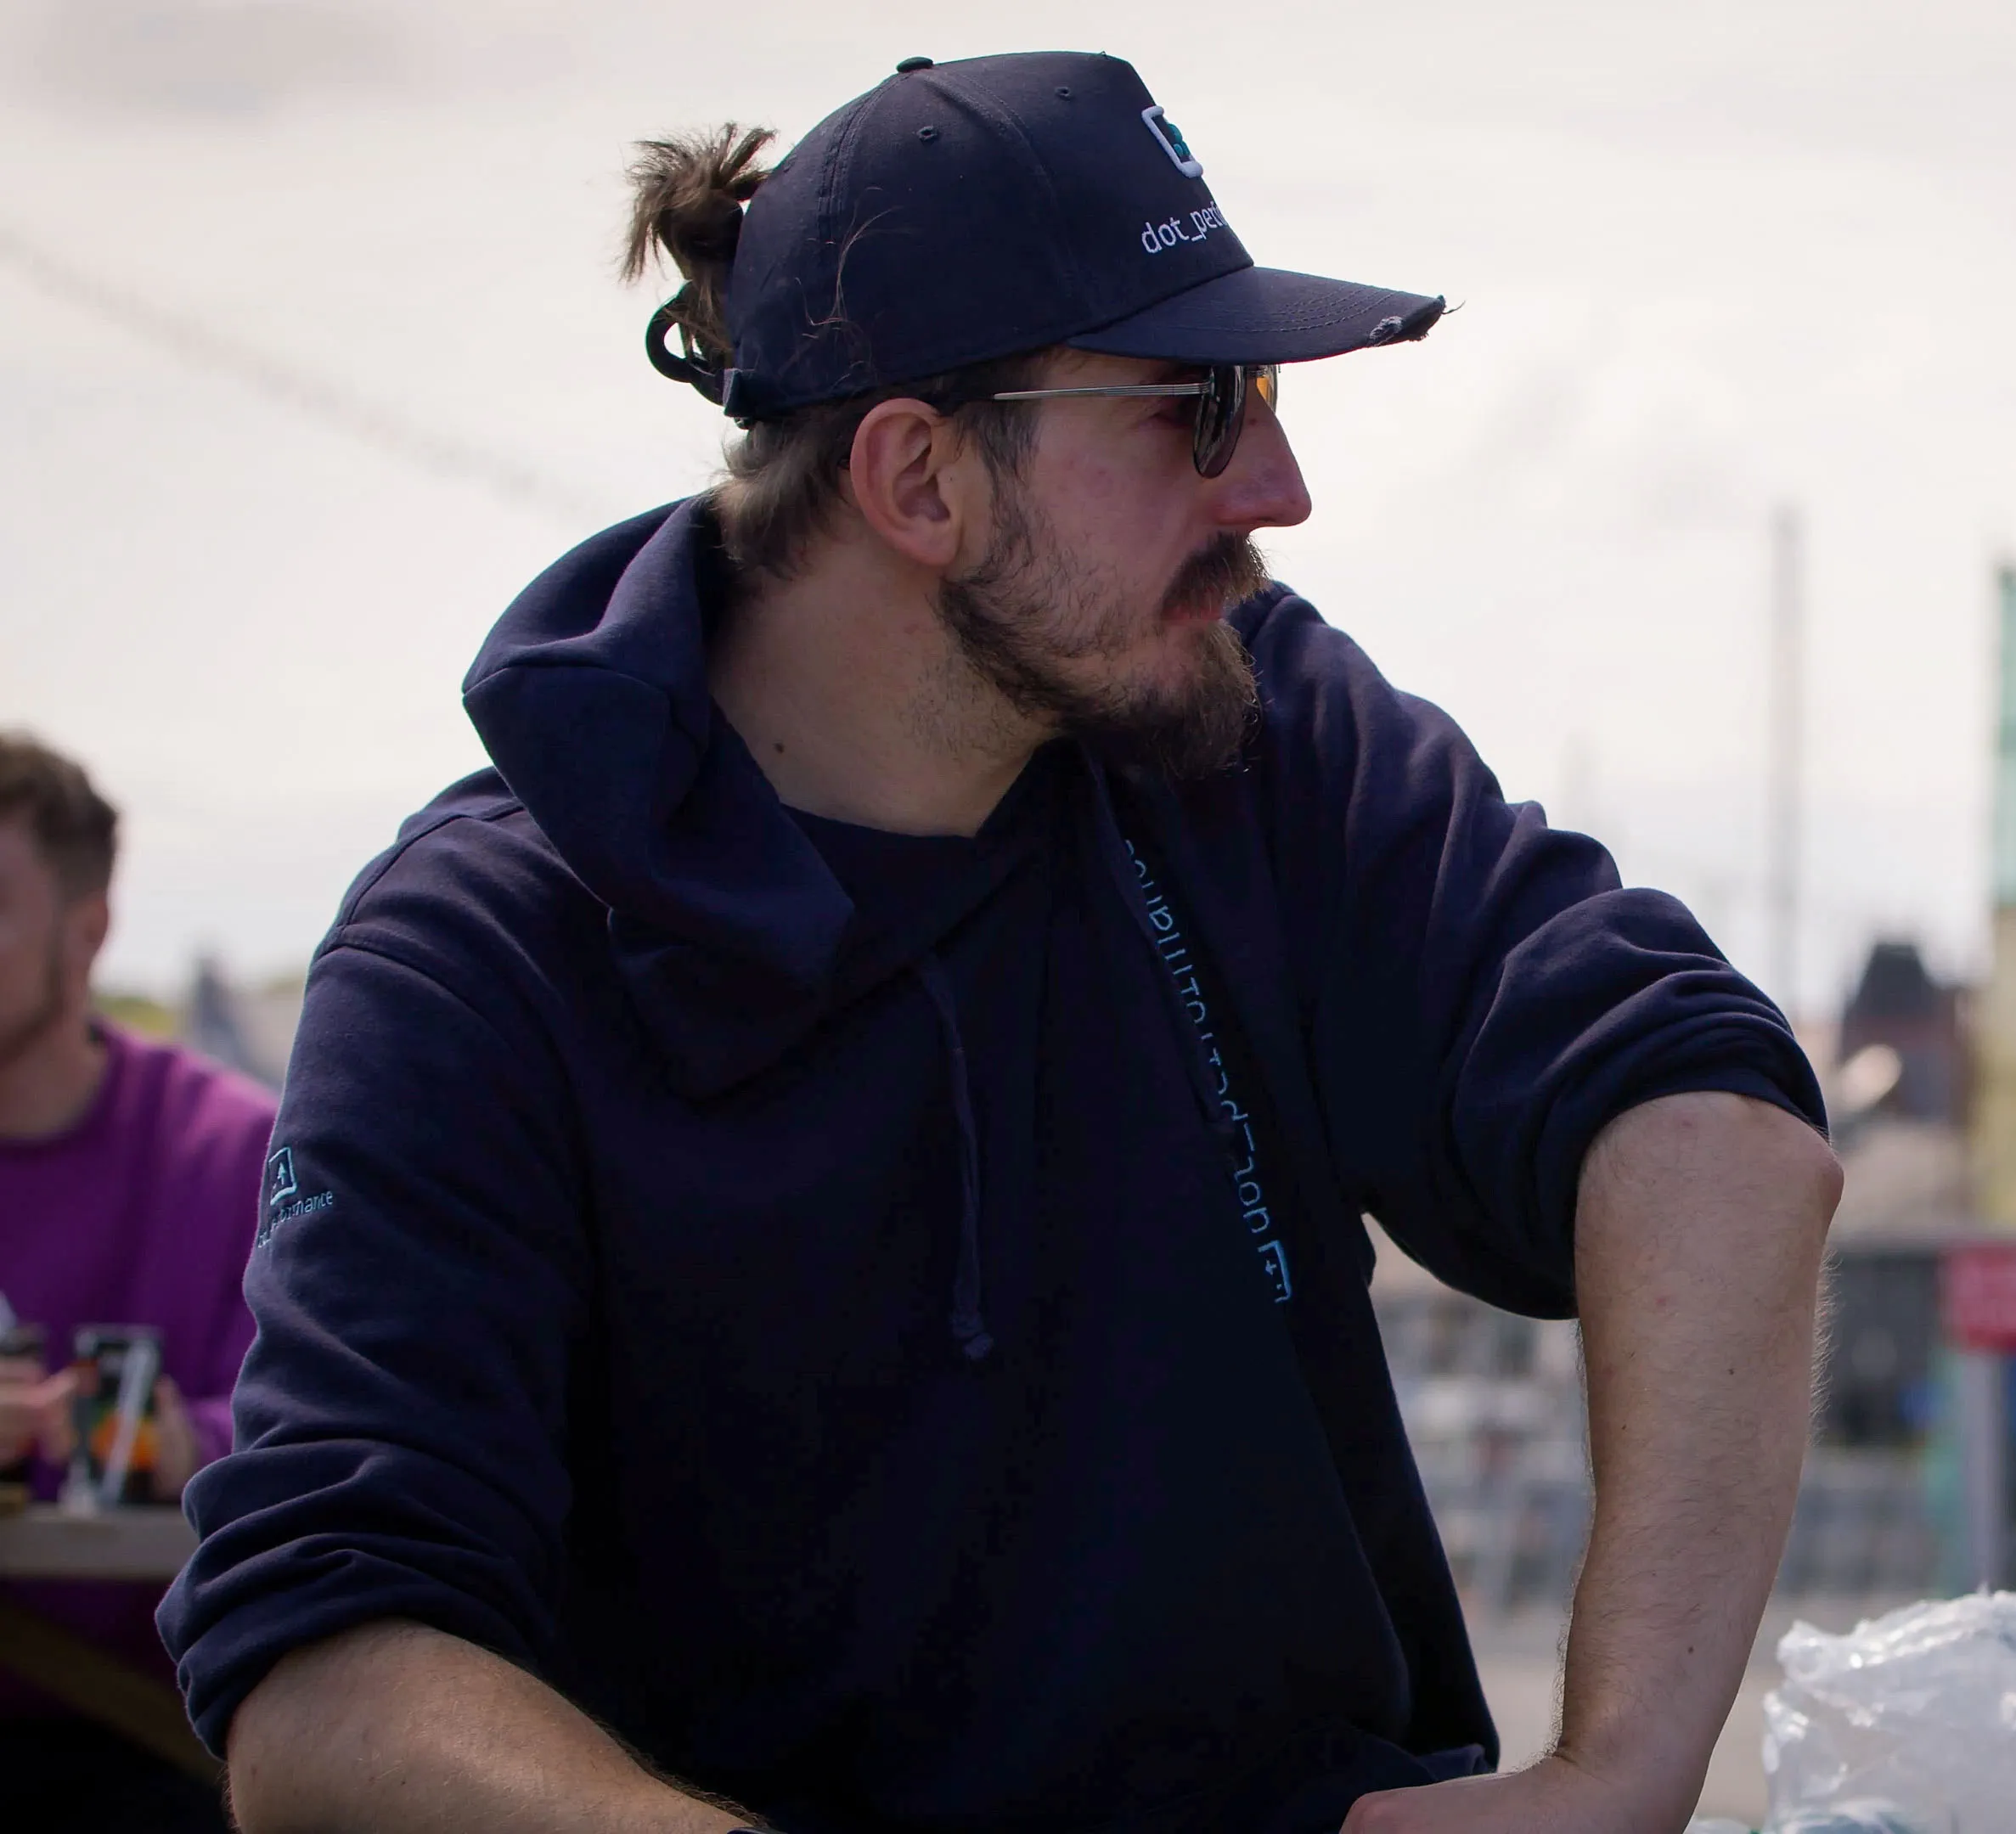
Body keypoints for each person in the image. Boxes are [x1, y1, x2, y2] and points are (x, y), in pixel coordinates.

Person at [160, 52, 1839, 1834]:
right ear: (918, 479)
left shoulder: (1251, 741)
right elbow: (328, 1676)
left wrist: (1621, 1774)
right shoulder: (475, 961)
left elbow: (1718, 1135)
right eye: (1195, 408)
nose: (1275, 487)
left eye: (1263, 395)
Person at [0, 731, 267, 1833]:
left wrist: (166, 1440)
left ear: (88, 932)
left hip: (151, 1744)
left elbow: (321, 1430)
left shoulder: (232, 1150)